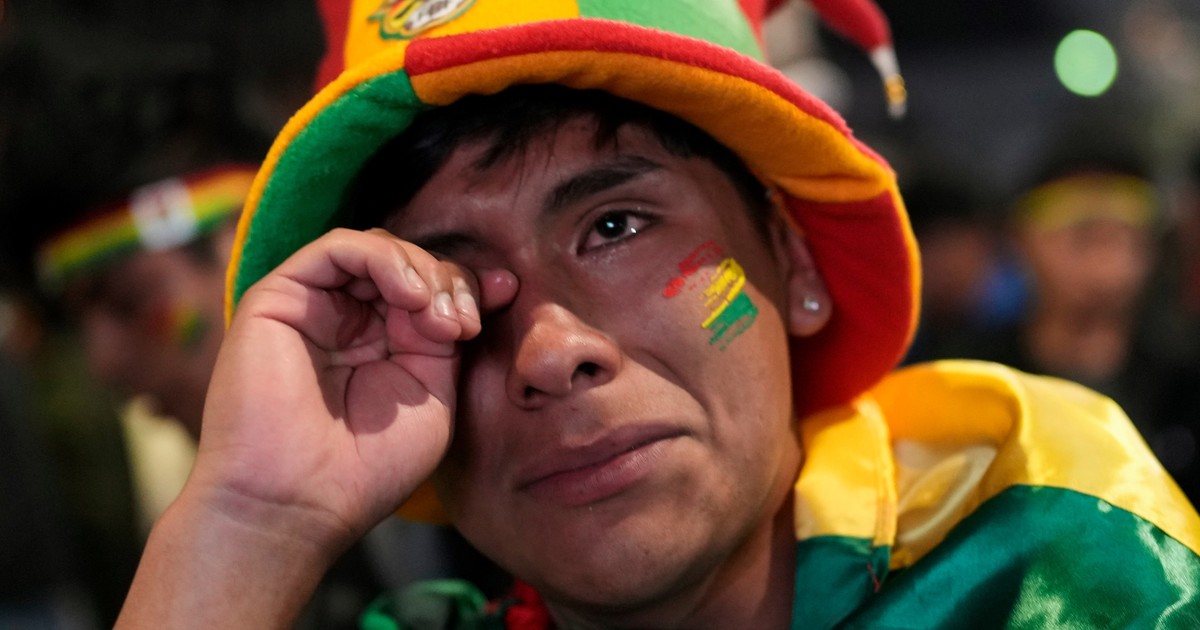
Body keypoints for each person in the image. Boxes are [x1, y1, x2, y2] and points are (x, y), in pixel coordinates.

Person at [116, 0, 1200, 628]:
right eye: (448, 282)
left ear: (795, 259)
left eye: (617, 226)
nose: (549, 350)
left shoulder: (1046, 570)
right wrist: (251, 521)